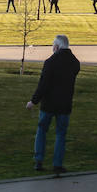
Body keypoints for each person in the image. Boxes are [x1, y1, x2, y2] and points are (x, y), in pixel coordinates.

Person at [26, 35, 81, 174]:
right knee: (61, 134)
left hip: (48, 104)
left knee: (42, 130)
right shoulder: (74, 63)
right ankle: (57, 164)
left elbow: (43, 84)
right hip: (65, 104)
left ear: (56, 46)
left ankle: (39, 160)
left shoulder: (50, 62)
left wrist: (33, 101)